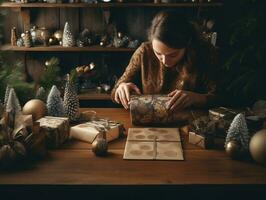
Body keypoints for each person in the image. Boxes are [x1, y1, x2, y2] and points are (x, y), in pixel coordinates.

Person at [111, 10, 219, 111]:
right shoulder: (144, 51)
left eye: (173, 55)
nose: (165, 61)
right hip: (149, 122)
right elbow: (114, 92)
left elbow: (222, 98)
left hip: (190, 122)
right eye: (158, 54)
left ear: (187, 44)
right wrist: (121, 88)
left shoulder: (203, 53)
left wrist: (197, 98)